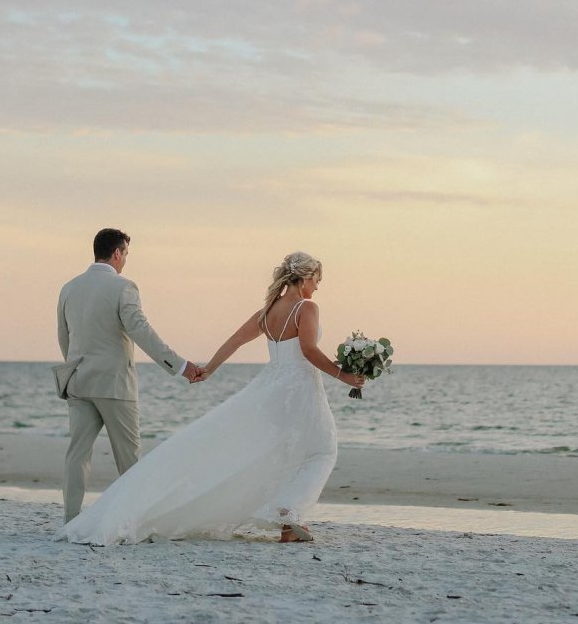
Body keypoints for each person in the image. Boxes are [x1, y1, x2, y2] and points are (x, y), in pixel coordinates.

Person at [58, 251, 365, 545]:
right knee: (323, 449)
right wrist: (345, 376)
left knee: (288, 450)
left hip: (272, 389)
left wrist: (209, 370)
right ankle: (289, 512)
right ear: (306, 277)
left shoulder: (268, 310)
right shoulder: (307, 308)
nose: (316, 287)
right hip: (300, 391)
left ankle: (289, 522)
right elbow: (309, 351)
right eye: (316, 281)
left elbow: (236, 340)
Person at [56, 228, 202, 523]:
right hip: (114, 384)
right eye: (126, 255)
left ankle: (70, 520)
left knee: (77, 455)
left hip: (78, 381)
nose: (126, 262)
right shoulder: (123, 287)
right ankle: (133, 519)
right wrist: (180, 366)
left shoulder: (69, 288)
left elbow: (64, 337)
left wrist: (75, 368)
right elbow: (141, 331)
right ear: (117, 253)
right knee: (129, 459)